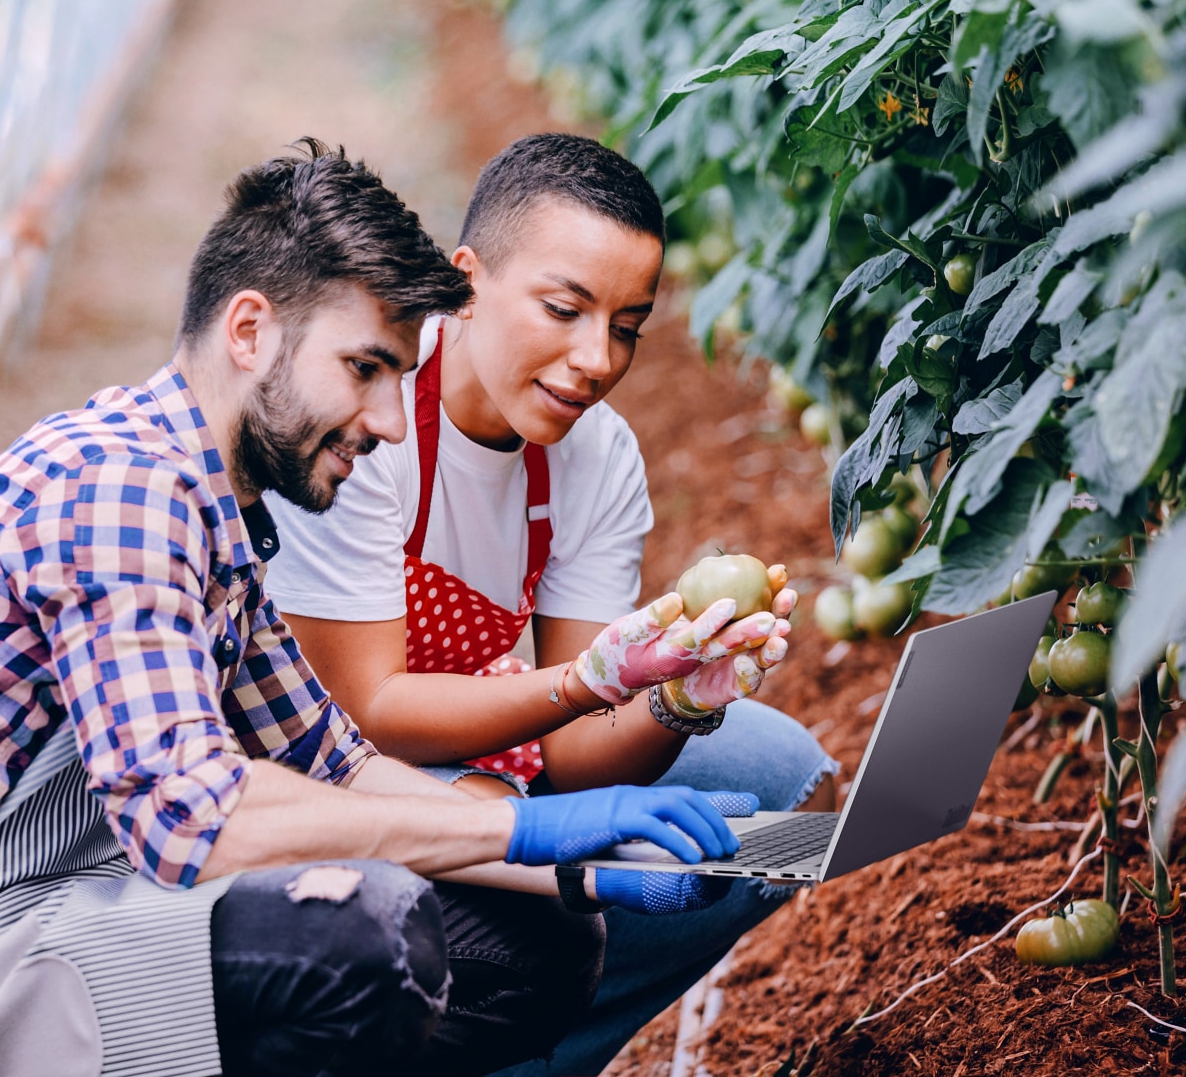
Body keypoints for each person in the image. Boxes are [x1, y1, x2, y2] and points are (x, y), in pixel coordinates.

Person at [0, 140, 764, 1077]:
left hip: (64, 902)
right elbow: (194, 816)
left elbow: (338, 759)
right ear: (250, 330)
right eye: (363, 369)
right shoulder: (120, 496)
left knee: (531, 937)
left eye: (394, 378)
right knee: (363, 937)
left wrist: (575, 865)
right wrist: (537, 832)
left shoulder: (217, 518)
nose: (379, 418)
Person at [264, 133, 839, 1076]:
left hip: (497, 720)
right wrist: (584, 682)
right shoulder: (370, 419)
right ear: (469, 279)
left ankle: (538, 1055)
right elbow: (365, 712)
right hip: (331, 756)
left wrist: (675, 699)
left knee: (778, 780)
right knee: (514, 867)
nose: (595, 358)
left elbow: (572, 762)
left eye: (626, 325)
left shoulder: (594, 456)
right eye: (564, 309)